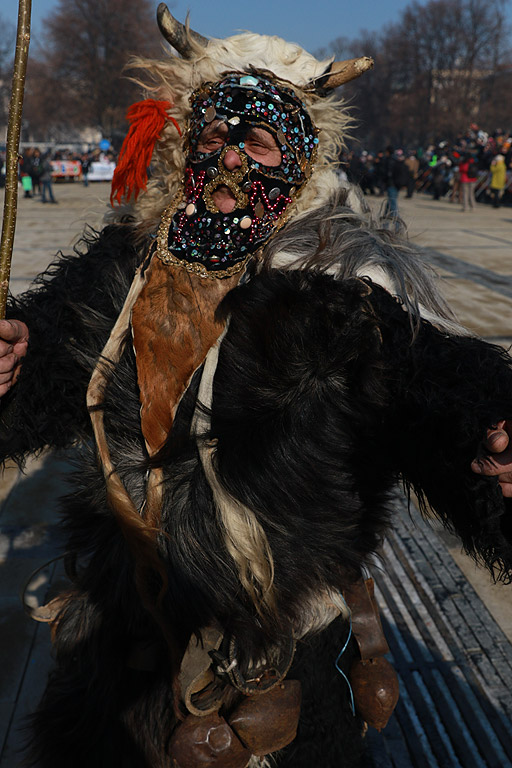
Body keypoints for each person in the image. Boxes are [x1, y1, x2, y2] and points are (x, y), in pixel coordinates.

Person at [0, 8, 511, 768]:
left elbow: (427, 385)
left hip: (286, 662)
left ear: (302, 160)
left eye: (262, 141)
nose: (233, 159)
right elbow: (44, 364)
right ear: (185, 148)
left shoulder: (345, 289)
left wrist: (490, 435)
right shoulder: (132, 264)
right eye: (214, 137)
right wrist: (12, 360)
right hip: (123, 646)